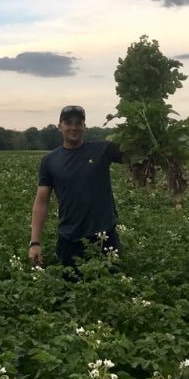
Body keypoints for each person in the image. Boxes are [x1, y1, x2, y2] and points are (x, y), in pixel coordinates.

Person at [28, 105, 126, 277]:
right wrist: (35, 242)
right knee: (71, 295)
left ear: (84, 126)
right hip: (70, 239)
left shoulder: (103, 149)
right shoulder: (49, 161)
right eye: (68, 123)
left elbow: (136, 156)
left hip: (105, 237)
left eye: (78, 123)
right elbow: (41, 202)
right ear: (60, 126)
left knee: (111, 292)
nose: (74, 127)